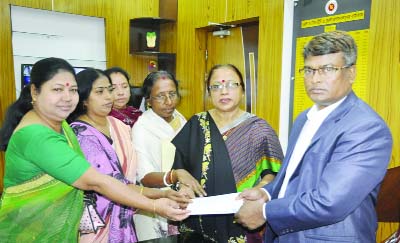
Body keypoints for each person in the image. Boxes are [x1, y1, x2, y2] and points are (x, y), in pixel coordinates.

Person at [0, 57, 189, 242]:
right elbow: (97, 183)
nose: (67, 97)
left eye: (72, 90)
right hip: (30, 233)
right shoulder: (37, 136)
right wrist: (155, 205)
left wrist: (162, 194)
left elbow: (116, 181)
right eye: (57, 89)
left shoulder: (61, 125)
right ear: (35, 92)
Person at [235, 30, 393, 243]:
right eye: (309, 70)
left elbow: (330, 202)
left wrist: (264, 211)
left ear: (351, 73)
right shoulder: (303, 119)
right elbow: (294, 178)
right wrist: (267, 193)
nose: (315, 79)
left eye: (328, 69)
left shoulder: (366, 127)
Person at [68, 68, 190, 242]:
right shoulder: (82, 134)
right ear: (84, 98)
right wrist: (157, 199)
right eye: (100, 91)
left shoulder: (120, 126)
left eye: (109, 90)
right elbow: (110, 185)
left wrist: (163, 195)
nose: (109, 96)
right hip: (98, 220)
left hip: (126, 214)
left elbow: (127, 181)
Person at [171, 64, 283, 243]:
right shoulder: (196, 124)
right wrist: (184, 187)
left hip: (242, 219)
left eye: (231, 84)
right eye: (216, 86)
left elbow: (275, 175)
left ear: (243, 90)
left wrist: (259, 190)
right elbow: (179, 169)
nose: (224, 91)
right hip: (196, 222)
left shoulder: (259, 129)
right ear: (209, 92)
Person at [132, 70, 205, 241]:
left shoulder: (181, 120)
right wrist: (176, 175)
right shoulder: (142, 128)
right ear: (148, 100)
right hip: (154, 207)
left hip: (181, 202)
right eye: (160, 96)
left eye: (172, 94)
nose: (169, 102)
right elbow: (144, 178)